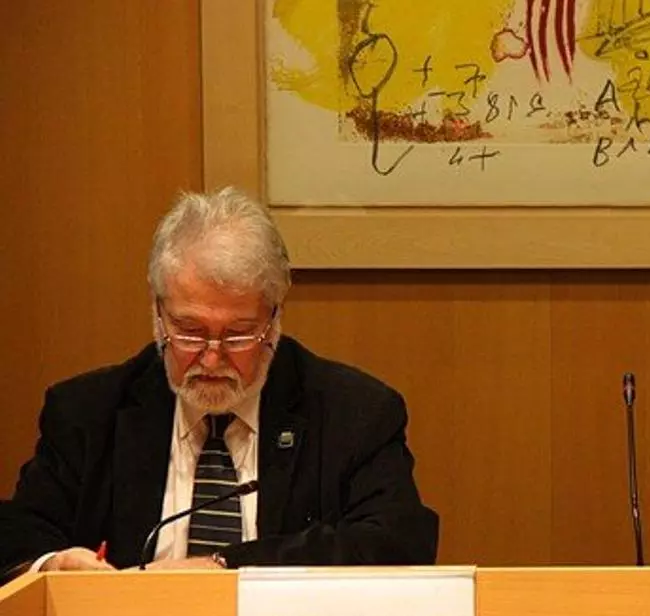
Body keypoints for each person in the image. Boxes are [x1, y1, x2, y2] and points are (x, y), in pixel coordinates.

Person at [0, 187, 438, 578]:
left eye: (238, 334)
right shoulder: (87, 413)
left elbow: (396, 541)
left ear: (274, 319)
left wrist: (225, 565)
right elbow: (19, 534)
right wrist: (52, 564)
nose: (211, 357)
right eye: (189, 331)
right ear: (158, 313)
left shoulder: (354, 414)